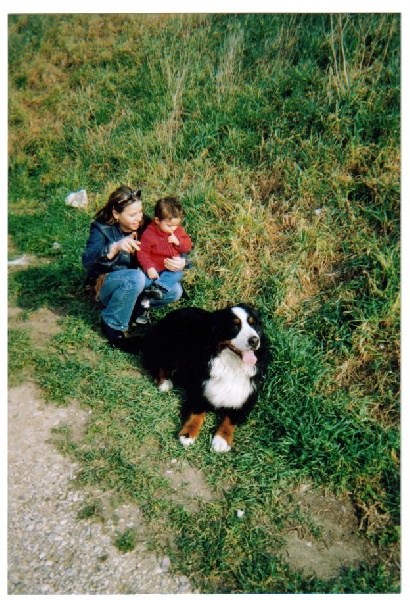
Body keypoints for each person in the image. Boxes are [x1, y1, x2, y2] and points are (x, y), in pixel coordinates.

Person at [82, 186, 186, 347]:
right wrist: (114, 247)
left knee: (175, 290)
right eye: (132, 215)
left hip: (140, 280)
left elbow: (173, 243)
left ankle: (134, 310)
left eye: (140, 212)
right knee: (136, 277)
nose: (139, 218)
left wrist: (182, 261)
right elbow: (87, 261)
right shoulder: (101, 228)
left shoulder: (147, 224)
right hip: (107, 284)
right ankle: (112, 324)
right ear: (116, 214)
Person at [137, 197, 193, 301]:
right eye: (169, 225)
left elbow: (187, 246)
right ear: (157, 220)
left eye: (176, 225)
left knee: (178, 274)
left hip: (170, 268)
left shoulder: (178, 231)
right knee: (145, 281)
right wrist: (149, 267)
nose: (173, 228)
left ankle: (158, 288)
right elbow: (143, 253)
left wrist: (178, 242)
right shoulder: (149, 234)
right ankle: (149, 293)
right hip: (155, 269)